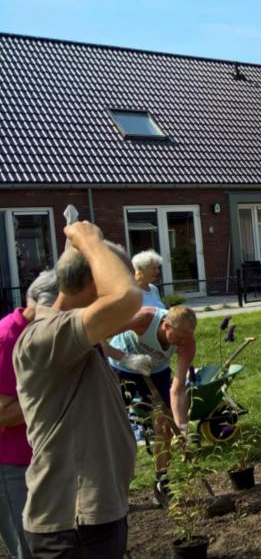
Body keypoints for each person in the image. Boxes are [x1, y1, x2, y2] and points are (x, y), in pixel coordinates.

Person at [13, 222, 140, 559]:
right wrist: (90, 242)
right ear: (93, 281)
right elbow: (126, 299)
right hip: (73, 526)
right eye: (113, 277)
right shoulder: (45, 337)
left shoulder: (72, 339)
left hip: (90, 522)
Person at [106, 305, 198, 507]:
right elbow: (96, 336)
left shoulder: (187, 343)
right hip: (121, 367)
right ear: (165, 325)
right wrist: (125, 358)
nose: (183, 341)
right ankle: (112, 489)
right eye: (180, 336)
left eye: (187, 337)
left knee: (165, 426)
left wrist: (182, 429)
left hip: (156, 371)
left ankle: (161, 482)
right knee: (113, 429)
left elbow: (178, 389)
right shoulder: (144, 318)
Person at [0, 271, 58, 559]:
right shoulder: (6, 339)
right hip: (11, 463)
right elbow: (3, 414)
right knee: (28, 547)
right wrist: (54, 393)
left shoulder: (43, 332)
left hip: (43, 456)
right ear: (42, 304)